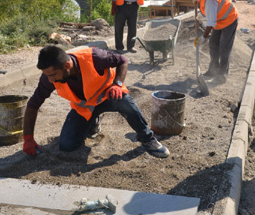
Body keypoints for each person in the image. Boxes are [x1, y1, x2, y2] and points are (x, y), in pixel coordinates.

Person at [22, 45, 169, 158]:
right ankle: (93, 122)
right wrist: (28, 138)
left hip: (109, 96)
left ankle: (148, 138)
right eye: (47, 75)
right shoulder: (49, 78)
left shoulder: (94, 57)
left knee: (124, 101)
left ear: (67, 65)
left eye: (53, 74)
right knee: (67, 145)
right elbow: (34, 104)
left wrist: (117, 84)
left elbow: (122, 60)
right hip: (86, 108)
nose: (50, 80)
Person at [181, 0, 238, 85]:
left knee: (224, 47)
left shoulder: (209, 0)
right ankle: (213, 71)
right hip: (219, 19)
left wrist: (203, 38)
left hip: (229, 18)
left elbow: (211, 23)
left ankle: (222, 76)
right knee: (213, 44)